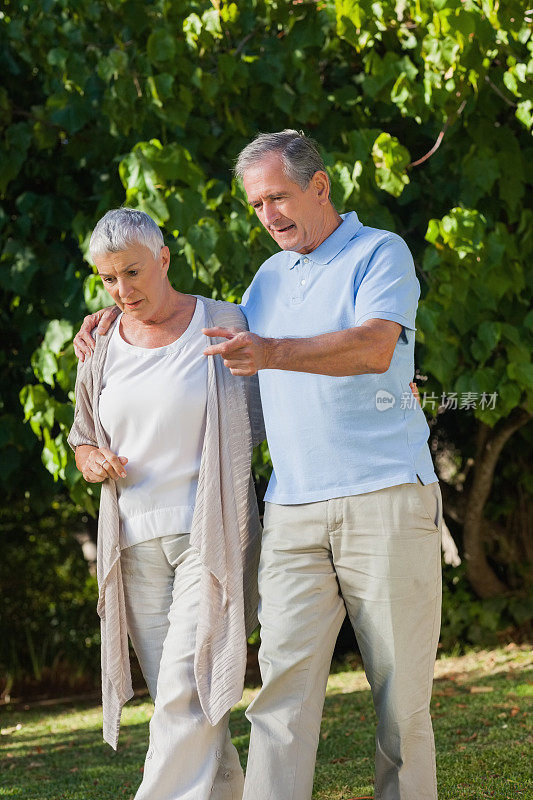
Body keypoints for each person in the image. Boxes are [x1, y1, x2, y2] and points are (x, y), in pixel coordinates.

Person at [74, 131, 442, 800]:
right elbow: (190, 338)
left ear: (319, 187)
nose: (268, 214)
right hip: (292, 510)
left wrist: (271, 352)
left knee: (399, 704)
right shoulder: (267, 279)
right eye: (255, 204)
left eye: (278, 196)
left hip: (384, 496)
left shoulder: (377, 252)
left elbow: (372, 347)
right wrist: (117, 312)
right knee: (277, 699)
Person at [68, 207, 264, 800]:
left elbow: (270, 403)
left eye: (132, 272)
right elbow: (81, 433)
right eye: (108, 278)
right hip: (134, 544)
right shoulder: (100, 342)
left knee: (184, 690)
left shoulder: (223, 321)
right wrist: (90, 460)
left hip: (209, 533)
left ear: (164, 259)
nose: (121, 290)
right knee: (186, 699)